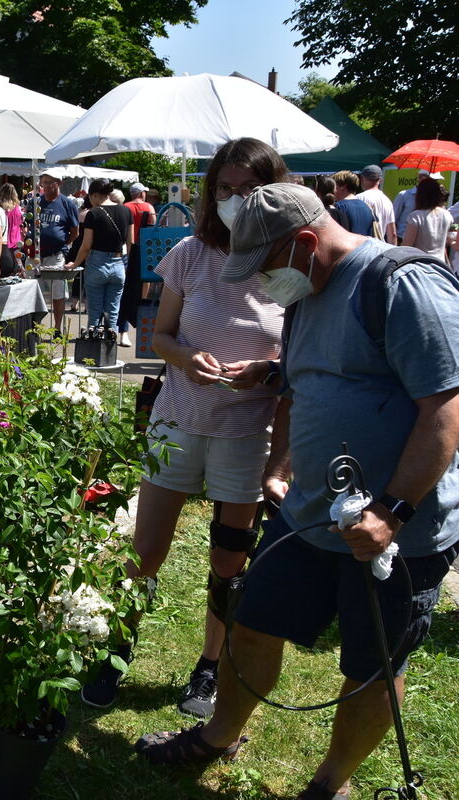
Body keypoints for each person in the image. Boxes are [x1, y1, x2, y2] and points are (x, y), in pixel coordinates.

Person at [136, 183, 459, 800]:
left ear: (307, 242)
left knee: (371, 666)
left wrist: (391, 511)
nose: (259, 286)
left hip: (395, 531)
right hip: (311, 508)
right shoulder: (308, 285)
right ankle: (218, 734)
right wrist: (273, 376)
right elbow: (326, 375)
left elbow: (445, 406)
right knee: (253, 622)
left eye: (264, 269)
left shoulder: (403, 285)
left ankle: (327, 784)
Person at [80, 138, 286, 718]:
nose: (237, 200)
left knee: (228, 560)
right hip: (179, 418)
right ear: (210, 192)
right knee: (146, 552)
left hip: (247, 429)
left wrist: (268, 370)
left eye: (250, 189)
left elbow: (303, 351)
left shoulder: (286, 263)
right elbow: (161, 335)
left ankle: (209, 666)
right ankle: (115, 650)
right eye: (226, 189)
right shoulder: (192, 253)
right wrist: (184, 356)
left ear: (274, 191)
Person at [69, 178, 132, 330]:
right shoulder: (126, 211)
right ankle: (110, 349)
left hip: (97, 264)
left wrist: (75, 264)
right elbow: (131, 243)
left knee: (95, 313)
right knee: (112, 313)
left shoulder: (94, 213)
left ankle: (94, 350)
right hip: (118, 264)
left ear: (95, 195)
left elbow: (86, 246)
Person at [35, 170, 81, 329]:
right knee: (34, 292)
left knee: (58, 293)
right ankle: (36, 327)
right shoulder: (36, 202)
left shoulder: (67, 204)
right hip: (35, 255)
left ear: (59, 183)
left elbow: (75, 232)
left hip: (56, 255)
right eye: (44, 182)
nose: (46, 186)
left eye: (49, 182)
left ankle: (57, 328)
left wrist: (62, 244)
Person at [121, 182, 158, 347]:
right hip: (145, 247)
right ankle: (142, 302)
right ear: (141, 193)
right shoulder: (149, 208)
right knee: (146, 278)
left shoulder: (125, 207)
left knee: (127, 281)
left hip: (127, 248)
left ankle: (127, 305)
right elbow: (154, 228)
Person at [401, 177, 450, 261]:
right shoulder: (446, 214)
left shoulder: (416, 216)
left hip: (420, 265)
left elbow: (406, 246)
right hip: (440, 264)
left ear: (420, 195)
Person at [393, 170, 442, 241]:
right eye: (432, 180)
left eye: (436, 180)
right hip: (402, 240)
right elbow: (393, 220)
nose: (435, 183)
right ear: (420, 178)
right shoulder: (404, 195)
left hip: (423, 243)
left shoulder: (435, 199)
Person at [330, 171, 377, 237]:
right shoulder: (367, 206)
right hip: (365, 246)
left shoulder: (339, 206)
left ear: (343, 186)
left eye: (334, 186)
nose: (332, 190)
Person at [357, 164, 396, 242]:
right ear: (380, 180)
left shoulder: (359, 198)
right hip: (380, 247)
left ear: (363, 178)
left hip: (362, 247)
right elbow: (393, 234)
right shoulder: (387, 200)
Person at [0, 183, 23, 254]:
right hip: (18, 240)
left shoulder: (2, 208)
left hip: (5, 241)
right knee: (17, 262)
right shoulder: (18, 208)